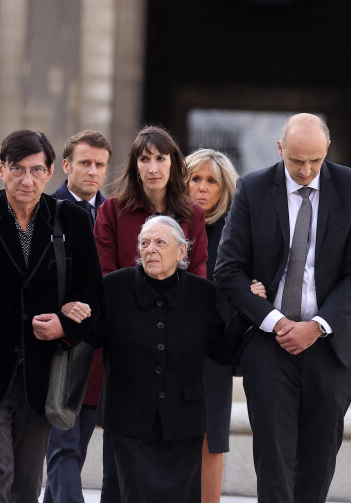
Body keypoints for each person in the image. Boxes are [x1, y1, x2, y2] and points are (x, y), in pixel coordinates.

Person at [0, 130, 103, 503]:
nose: (26, 179)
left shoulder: (71, 221)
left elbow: (93, 294)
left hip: (41, 377)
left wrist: (67, 324)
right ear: (1, 169)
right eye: (17, 169)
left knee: (26, 486)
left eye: (36, 170)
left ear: (49, 172)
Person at [214, 113, 351, 503]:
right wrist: (274, 320)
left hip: (332, 343)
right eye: (296, 160)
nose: (305, 170)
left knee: (319, 461)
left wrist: (316, 326)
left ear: (327, 152)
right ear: (280, 149)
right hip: (269, 342)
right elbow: (228, 269)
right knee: (273, 459)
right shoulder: (252, 189)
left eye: (315, 161)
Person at [94, 125, 208, 503]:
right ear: (135, 165)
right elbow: (105, 278)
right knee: (125, 484)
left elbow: (198, 278)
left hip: (178, 359)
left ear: (174, 164)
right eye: (145, 159)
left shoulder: (193, 213)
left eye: (161, 158)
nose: (153, 166)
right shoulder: (112, 210)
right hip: (128, 352)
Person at [88, 216, 236, 503]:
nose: (150, 249)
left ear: (181, 251)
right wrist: (75, 314)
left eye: (159, 242)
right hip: (128, 419)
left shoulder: (204, 294)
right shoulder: (113, 287)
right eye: (144, 243)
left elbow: (223, 351)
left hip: (184, 421)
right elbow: (92, 336)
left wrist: (244, 313)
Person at [45, 130, 112, 503]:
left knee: (74, 447)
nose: (92, 171)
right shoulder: (45, 209)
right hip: (59, 348)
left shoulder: (112, 213)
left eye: (100, 164)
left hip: (99, 351)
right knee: (64, 446)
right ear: (67, 166)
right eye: (85, 163)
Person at [186, 149, 238, 503]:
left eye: (212, 181)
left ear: (224, 190)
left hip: (213, 351)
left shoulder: (235, 233)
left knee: (210, 438)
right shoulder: (165, 224)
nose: (203, 188)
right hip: (166, 345)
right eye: (196, 179)